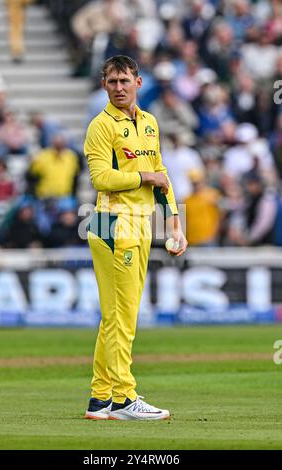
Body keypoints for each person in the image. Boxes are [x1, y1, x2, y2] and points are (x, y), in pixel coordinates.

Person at [83, 55, 187, 421]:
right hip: (111, 224)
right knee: (122, 317)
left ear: (138, 83)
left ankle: (100, 399)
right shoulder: (100, 126)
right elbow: (101, 179)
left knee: (114, 317)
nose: (119, 88)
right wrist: (144, 178)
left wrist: (175, 223)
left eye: (124, 81)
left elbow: (161, 174)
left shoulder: (150, 123)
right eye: (112, 82)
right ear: (103, 85)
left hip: (139, 224)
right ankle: (125, 398)